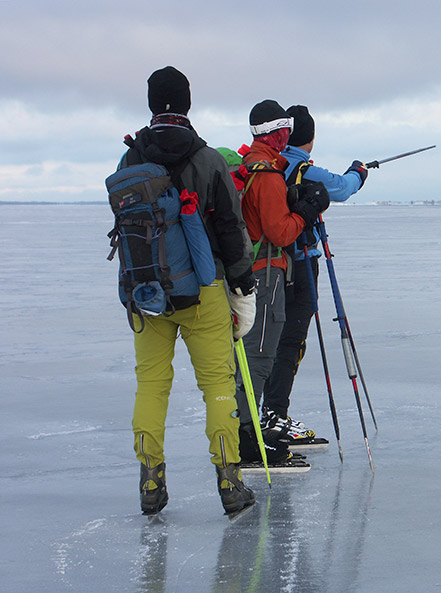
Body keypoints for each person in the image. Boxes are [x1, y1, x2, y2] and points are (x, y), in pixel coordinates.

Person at [119, 66, 257, 516]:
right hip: (204, 288)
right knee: (217, 384)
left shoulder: (130, 158)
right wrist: (242, 281)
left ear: (151, 103)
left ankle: (151, 480)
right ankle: (229, 481)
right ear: (188, 103)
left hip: (147, 295)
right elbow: (231, 228)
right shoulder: (207, 159)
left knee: (151, 386)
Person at [260, 104, 367, 447]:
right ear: (310, 137)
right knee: (292, 340)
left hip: (269, 265)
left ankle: (265, 412)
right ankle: (274, 414)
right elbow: (344, 188)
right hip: (300, 263)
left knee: (269, 340)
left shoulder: (275, 164)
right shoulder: (304, 168)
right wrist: (360, 171)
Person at [234, 100, 330, 470]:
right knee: (259, 357)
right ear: (278, 133)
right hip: (266, 273)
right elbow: (280, 231)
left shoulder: (247, 166)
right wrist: (305, 212)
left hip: (246, 272)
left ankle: (247, 431)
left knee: (249, 356)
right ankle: (249, 441)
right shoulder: (268, 174)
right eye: (285, 130)